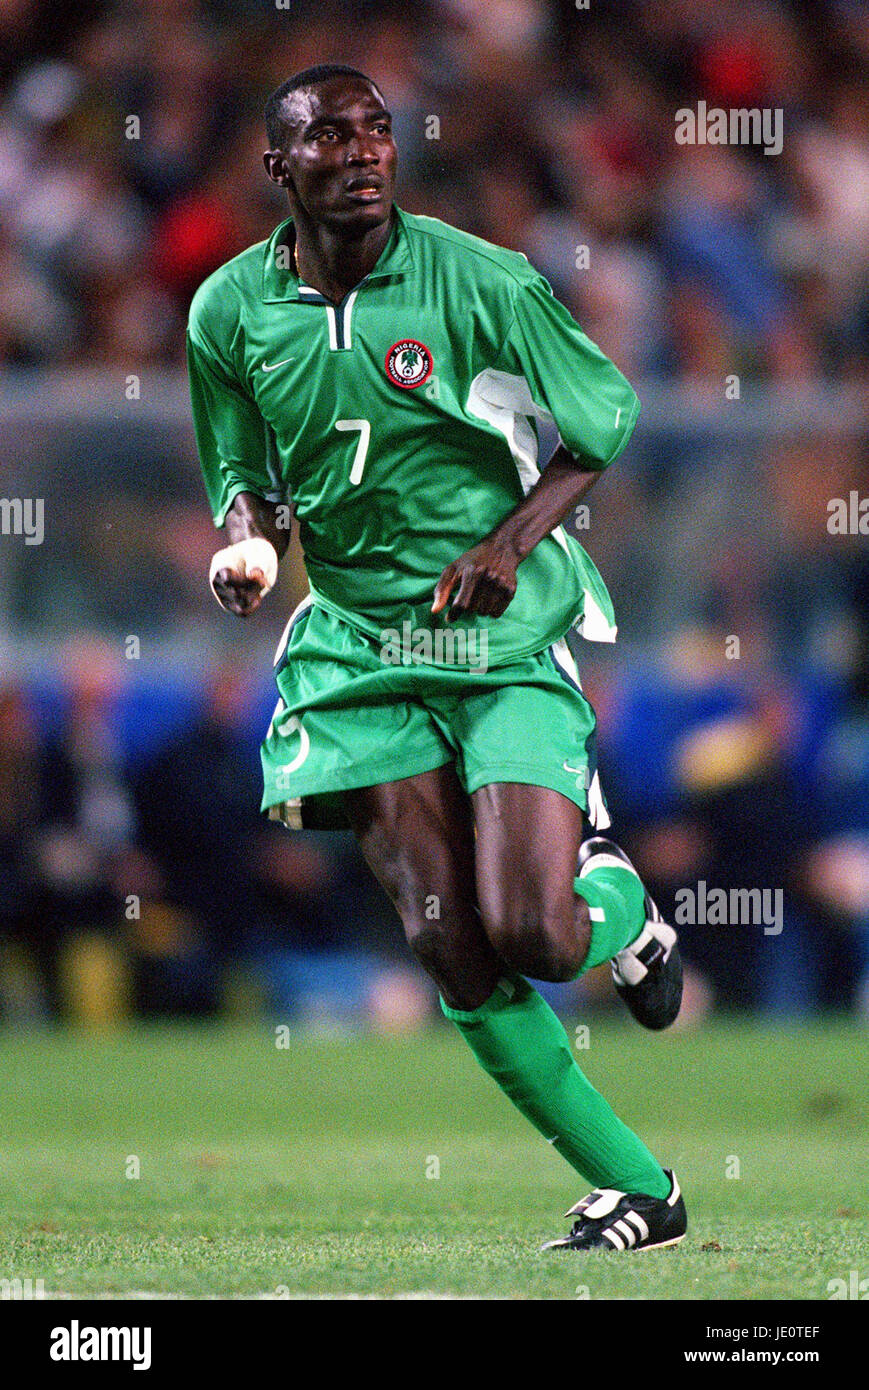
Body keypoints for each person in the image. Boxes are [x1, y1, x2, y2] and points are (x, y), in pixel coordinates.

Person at [186, 64, 686, 1252]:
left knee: (535, 933)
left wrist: (509, 542)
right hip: (361, 646)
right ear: (278, 168)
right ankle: (643, 1191)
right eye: (327, 138)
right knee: (446, 941)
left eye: (375, 133)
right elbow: (244, 476)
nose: (359, 154)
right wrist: (248, 545)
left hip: (496, 634)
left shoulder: (482, 279)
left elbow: (599, 419)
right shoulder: (224, 313)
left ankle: (621, 912)